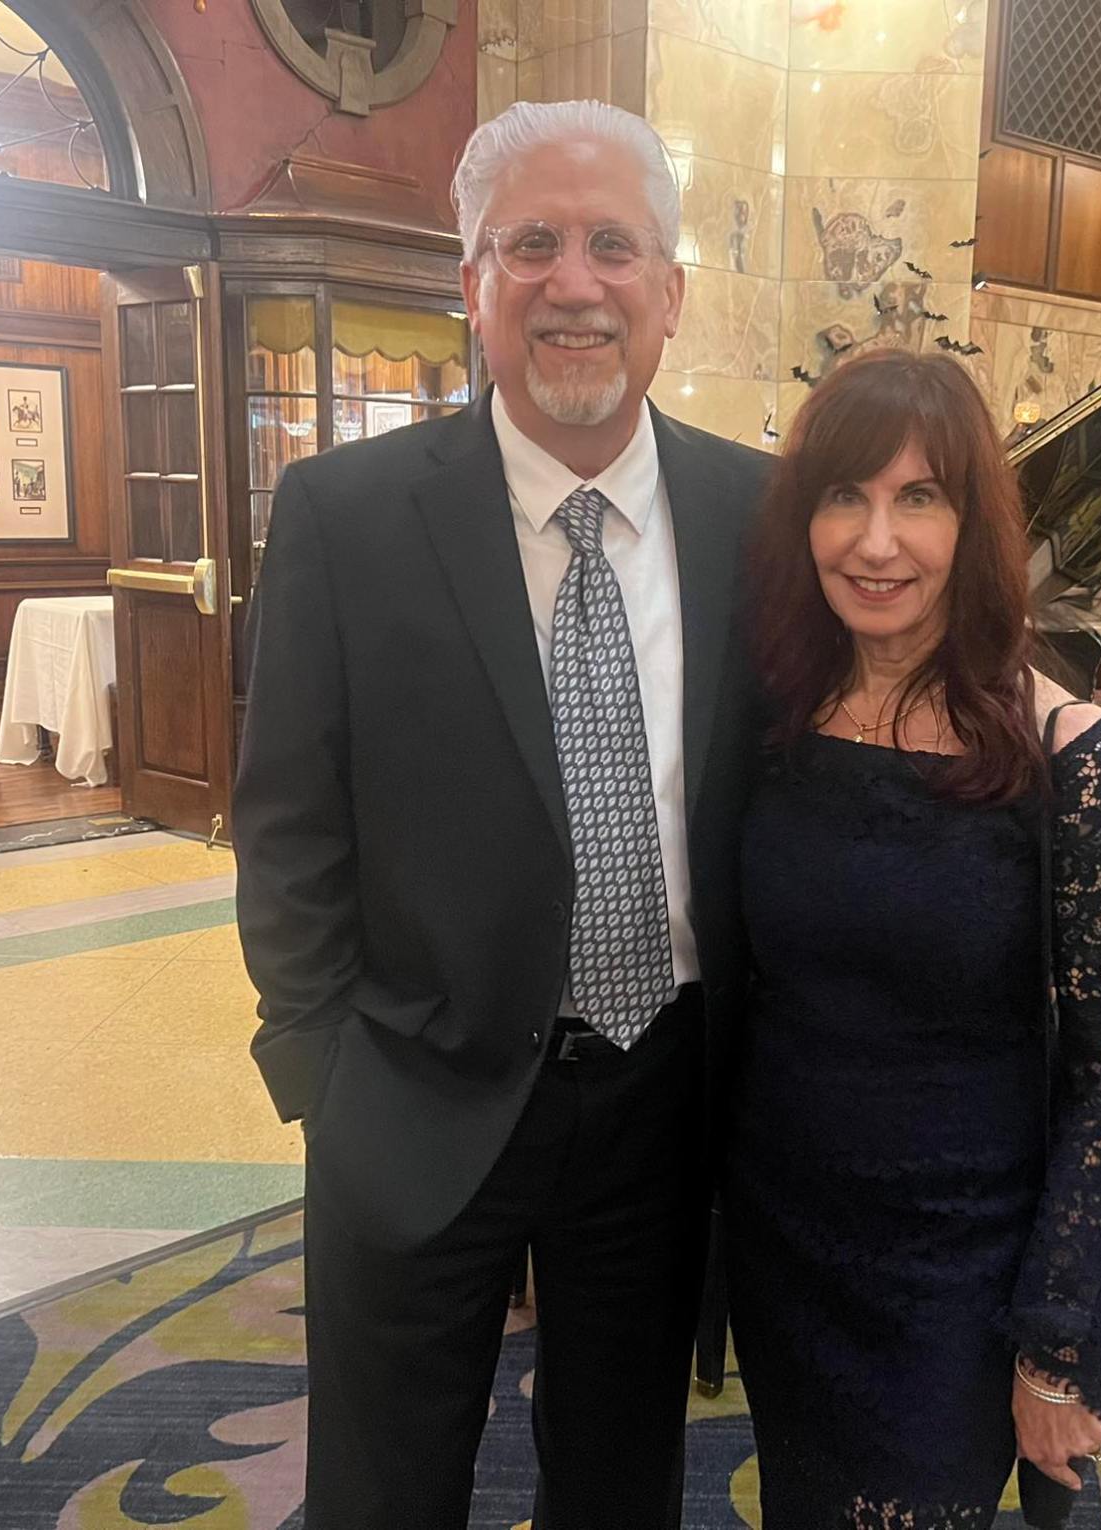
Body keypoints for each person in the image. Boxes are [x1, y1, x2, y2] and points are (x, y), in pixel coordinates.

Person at [233, 99, 770, 1528]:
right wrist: (321, 1076)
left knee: (622, 1480)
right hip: (411, 1092)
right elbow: (287, 823)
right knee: (384, 1486)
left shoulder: (758, 514)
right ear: (472, 283)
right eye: (530, 244)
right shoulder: (345, 514)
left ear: (670, 290)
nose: (573, 283)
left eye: (612, 246)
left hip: (663, 1098)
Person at [724, 350, 1101, 1529]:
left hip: (960, 1269)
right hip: (788, 1238)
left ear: (973, 524)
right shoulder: (775, 719)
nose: (875, 541)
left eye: (919, 498)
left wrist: (1060, 1343)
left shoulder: (1066, 754)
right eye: (844, 495)